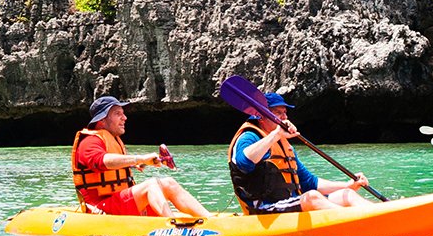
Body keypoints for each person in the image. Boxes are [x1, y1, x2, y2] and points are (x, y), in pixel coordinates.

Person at [227, 91, 371, 213]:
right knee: (312, 197)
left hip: (289, 203)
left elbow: (309, 182)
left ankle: (379, 215)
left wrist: (348, 185)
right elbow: (243, 163)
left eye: (285, 113)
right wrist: (276, 134)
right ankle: (355, 222)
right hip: (264, 208)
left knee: (347, 194)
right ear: (261, 116)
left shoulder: (282, 143)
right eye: (278, 113)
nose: (284, 118)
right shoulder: (248, 137)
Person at [72, 96, 210, 220]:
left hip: (119, 203)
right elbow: (102, 161)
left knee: (169, 183)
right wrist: (140, 158)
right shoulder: (89, 142)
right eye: (117, 114)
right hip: (101, 209)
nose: (124, 118)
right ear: (102, 121)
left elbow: (115, 167)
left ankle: (210, 219)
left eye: (123, 113)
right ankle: (172, 224)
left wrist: (140, 163)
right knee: (151, 184)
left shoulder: (111, 139)